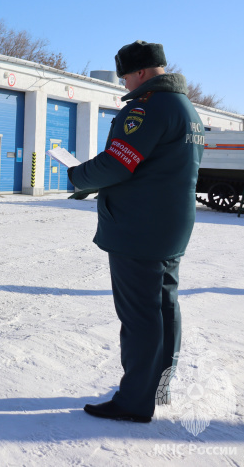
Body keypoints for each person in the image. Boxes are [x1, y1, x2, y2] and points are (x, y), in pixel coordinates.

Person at [68, 40, 204, 423]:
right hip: (171, 226)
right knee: (164, 308)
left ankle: (134, 400)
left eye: (125, 75)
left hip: (139, 228)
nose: (124, 83)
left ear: (141, 72)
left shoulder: (147, 108)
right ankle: (158, 388)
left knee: (141, 315)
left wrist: (77, 176)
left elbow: (117, 163)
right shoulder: (186, 108)